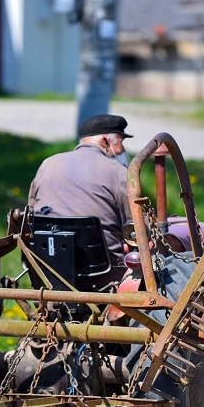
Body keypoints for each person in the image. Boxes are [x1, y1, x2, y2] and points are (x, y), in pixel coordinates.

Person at [27, 114, 133, 284]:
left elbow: (31, 214)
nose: (122, 151)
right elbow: (136, 229)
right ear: (106, 142)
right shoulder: (118, 172)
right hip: (104, 277)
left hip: (46, 270)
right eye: (120, 142)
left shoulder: (48, 164)